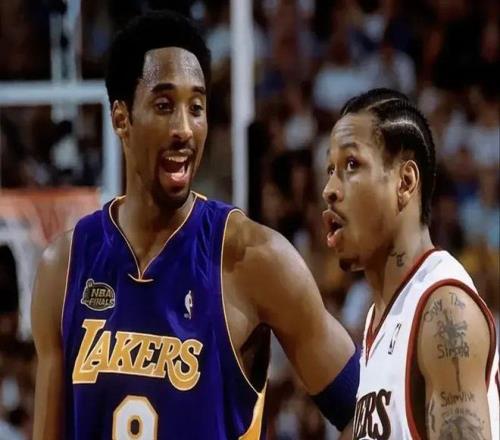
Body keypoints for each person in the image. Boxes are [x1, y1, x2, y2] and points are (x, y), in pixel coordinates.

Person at [31, 11, 359, 440]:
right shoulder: (64, 266)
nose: (184, 129)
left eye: (197, 108)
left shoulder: (254, 258)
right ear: (121, 118)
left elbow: (366, 409)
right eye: (164, 106)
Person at [322, 88, 499, 439]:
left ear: (405, 182)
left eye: (351, 165)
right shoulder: (380, 318)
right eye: (331, 169)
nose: (329, 189)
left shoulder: (444, 309)